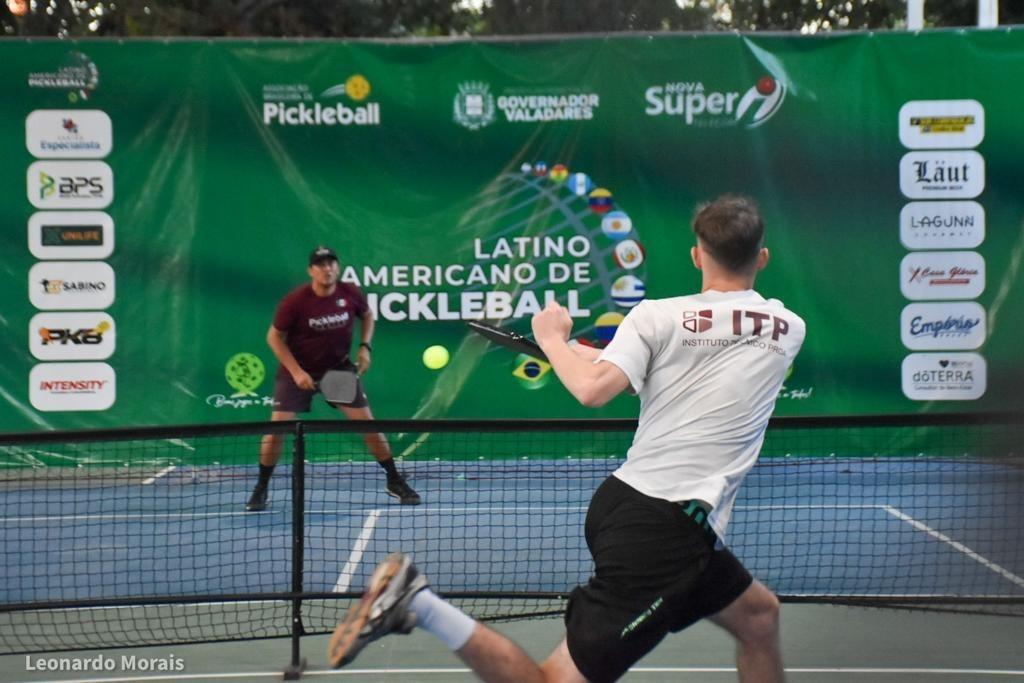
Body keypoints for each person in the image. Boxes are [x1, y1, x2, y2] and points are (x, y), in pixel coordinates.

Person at [329, 195, 805, 682]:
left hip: (654, 513)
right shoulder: (788, 327)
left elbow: (594, 388)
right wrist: (580, 353)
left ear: (696, 255)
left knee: (758, 616)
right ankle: (421, 603)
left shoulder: (656, 318)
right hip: (660, 527)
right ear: (762, 257)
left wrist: (553, 339)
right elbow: (682, 360)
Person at [246, 246, 420, 511]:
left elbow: (368, 315)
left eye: (331, 263)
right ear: (311, 271)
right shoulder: (295, 302)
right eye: (320, 264)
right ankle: (261, 488)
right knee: (275, 433)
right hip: (298, 371)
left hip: (337, 371)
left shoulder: (349, 292)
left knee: (368, 426)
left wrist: (365, 347)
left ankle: (394, 479)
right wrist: (296, 372)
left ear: (337, 268)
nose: (326, 269)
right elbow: (273, 337)